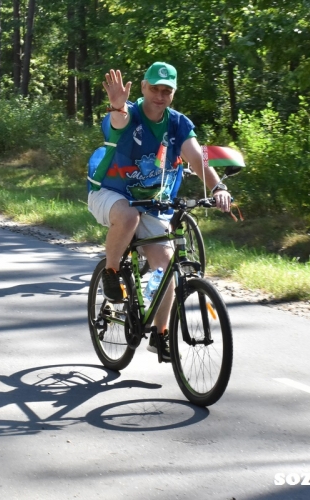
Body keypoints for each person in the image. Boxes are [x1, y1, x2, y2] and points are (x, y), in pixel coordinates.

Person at [88, 63, 232, 358]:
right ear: (143, 87)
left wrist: (218, 188)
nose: (160, 95)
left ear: (173, 94)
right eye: (154, 88)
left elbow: (196, 158)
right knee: (128, 217)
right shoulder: (129, 113)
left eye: (167, 90)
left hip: (152, 201)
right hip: (110, 191)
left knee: (166, 267)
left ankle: (161, 333)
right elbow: (119, 122)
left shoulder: (178, 124)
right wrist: (117, 107)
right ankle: (112, 274)